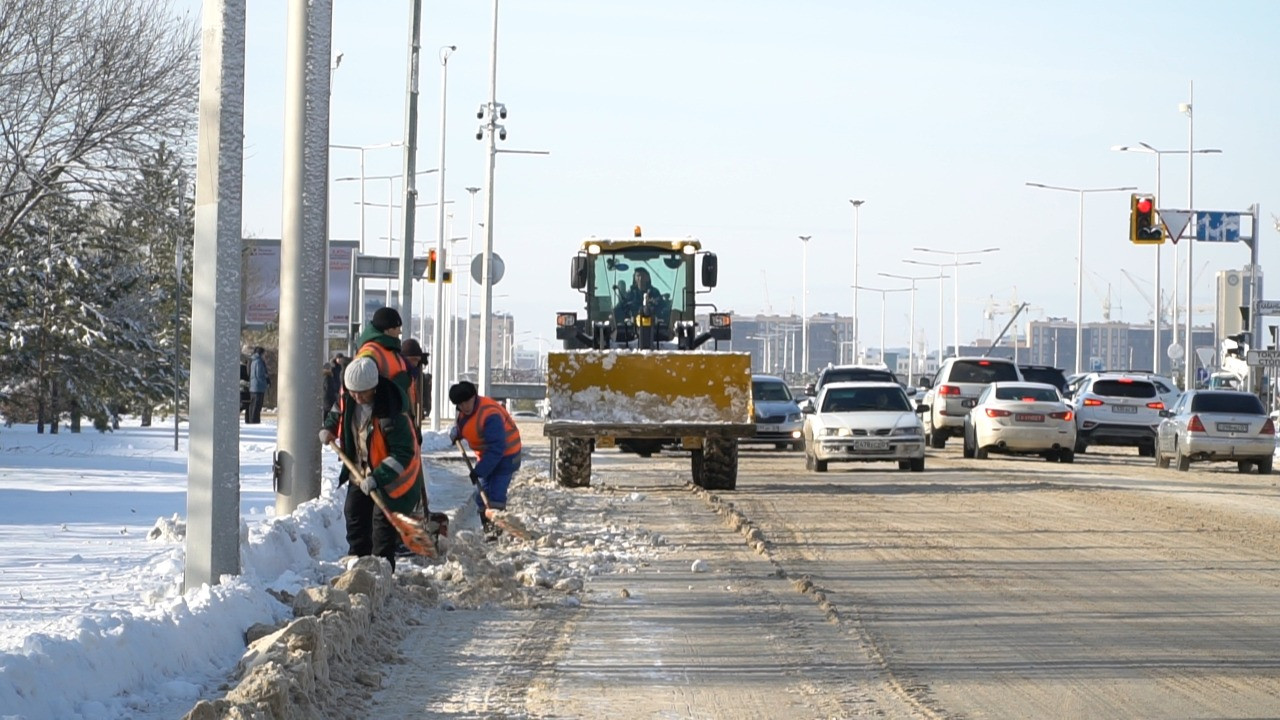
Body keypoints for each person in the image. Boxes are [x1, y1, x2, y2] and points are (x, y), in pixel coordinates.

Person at [319, 356, 425, 570]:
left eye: (362, 392)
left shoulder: (392, 412)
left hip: (390, 479)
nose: (356, 397)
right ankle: (358, 561)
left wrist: (378, 478)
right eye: (352, 392)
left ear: (374, 388)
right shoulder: (348, 397)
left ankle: (381, 568)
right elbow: (337, 412)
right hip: (359, 470)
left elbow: (404, 452)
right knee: (354, 513)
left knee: (382, 525)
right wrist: (329, 429)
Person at [448, 380, 522, 540]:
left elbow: (497, 448)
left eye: (467, 401)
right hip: (488, 457)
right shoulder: (462, 414)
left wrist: (479, 471)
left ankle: (496, 533)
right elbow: (467, 426)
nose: (465, 406)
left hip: (507, 455)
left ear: (474, 396)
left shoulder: (490, 414)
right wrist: (457, 432)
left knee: (495, 495)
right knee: (482, 496)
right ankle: (489, 531)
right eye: (460, 404)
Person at [355, 307, 411, 406]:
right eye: (397, 328)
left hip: (392, 412)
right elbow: (363, 387)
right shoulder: (370, 352)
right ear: (387, 330)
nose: (400, 332)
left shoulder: (389, 350)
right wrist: (399, 384)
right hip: (380, 416)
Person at [398, 338, 430, 428]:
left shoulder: (415, 375)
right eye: (413, 359)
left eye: (417, 360)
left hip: (413, 411)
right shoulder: (401, 375)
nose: (415, 364)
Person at [246, 346, 269, 424]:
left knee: (253, 405)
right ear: (261, 353)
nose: (265, 355)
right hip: (258, 387)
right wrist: (265, 383)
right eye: (264, 353)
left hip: (253, 386)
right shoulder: (258, 361)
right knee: (257, 405)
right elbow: (259, 374)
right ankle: (255, 421)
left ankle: (252, 420)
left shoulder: (252, 360)